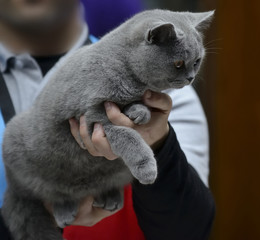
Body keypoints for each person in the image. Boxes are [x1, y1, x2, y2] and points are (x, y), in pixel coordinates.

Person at [0, 0, 215, 240]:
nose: (188, 77)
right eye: (180, 65)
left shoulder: (171, 93)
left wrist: (161, 145)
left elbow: (190, 231)